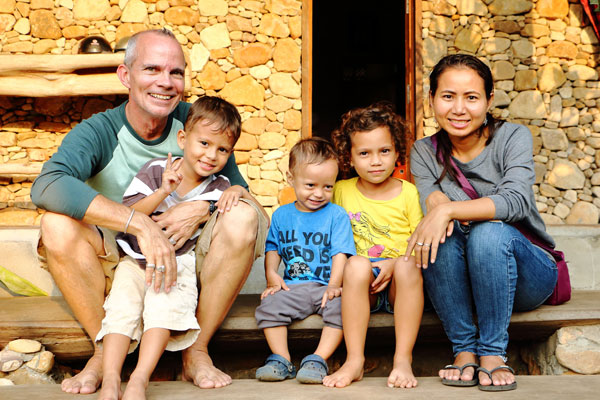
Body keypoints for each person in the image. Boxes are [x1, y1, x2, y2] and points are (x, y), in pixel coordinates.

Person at [31, 29, 268, 394]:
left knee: (244, 218)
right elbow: (47, 185)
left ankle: (196, 349)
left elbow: (241, 194)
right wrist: (138, 222)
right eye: (152, 69)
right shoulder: (101, 130)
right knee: (56, 224)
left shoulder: (201, 124)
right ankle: (102, 350)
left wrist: (201, 208)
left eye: (176, 72)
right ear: (126, 76)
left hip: (186, 260)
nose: (166, 82)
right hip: (121, 258)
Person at [96, 96, 266, 400]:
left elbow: (252, 210)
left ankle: (139, 379)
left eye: (222, 149)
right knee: (121, 309)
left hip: (178, 262)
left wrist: (238, 189)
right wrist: (164, 190)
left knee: (164, 309)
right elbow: (132, 214)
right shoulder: (155, 170)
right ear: (183, 139)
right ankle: (110, 378)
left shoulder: (220, 186)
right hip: (134, 260)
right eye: (204, 143)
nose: (211, 155)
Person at [407, 54, 558, 392]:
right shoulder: (423, 151)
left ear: (489, 100)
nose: (459, 109)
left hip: (526, 274)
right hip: (466, 279)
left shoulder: (512, 138)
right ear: (431, 99)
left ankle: (492, 353)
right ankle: (464, 349)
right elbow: (432, 204)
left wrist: (447, 210)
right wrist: (439, 209)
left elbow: (515, 202)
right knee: (437, 233)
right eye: (448, 96)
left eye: (471, 97)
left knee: (488, 233)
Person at [323, 102, 424, 389]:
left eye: (384, 151)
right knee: (355, 263)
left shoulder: (409, 193)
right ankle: (354, 360)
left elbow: (419, 241)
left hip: (399, 289)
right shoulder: (340, 191)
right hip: (359, 287)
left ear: (397, 153)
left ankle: (403, 359)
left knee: (407, 264)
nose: (376, 161)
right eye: (364, 153)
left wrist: (396, 262)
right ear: (349, 157)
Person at [254, 138, 356, 384]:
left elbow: (340, 253)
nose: (319, 193)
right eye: (310, 185)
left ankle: (318, 359)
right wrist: (271, 275)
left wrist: (334, 285)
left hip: (327, 287)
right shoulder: (281, 215)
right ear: (291, 179)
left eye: (328, 187)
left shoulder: (336, 215)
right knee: (269, 305)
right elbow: (273, 248)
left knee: (345, 309)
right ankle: (281, 359)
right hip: (294, 286)